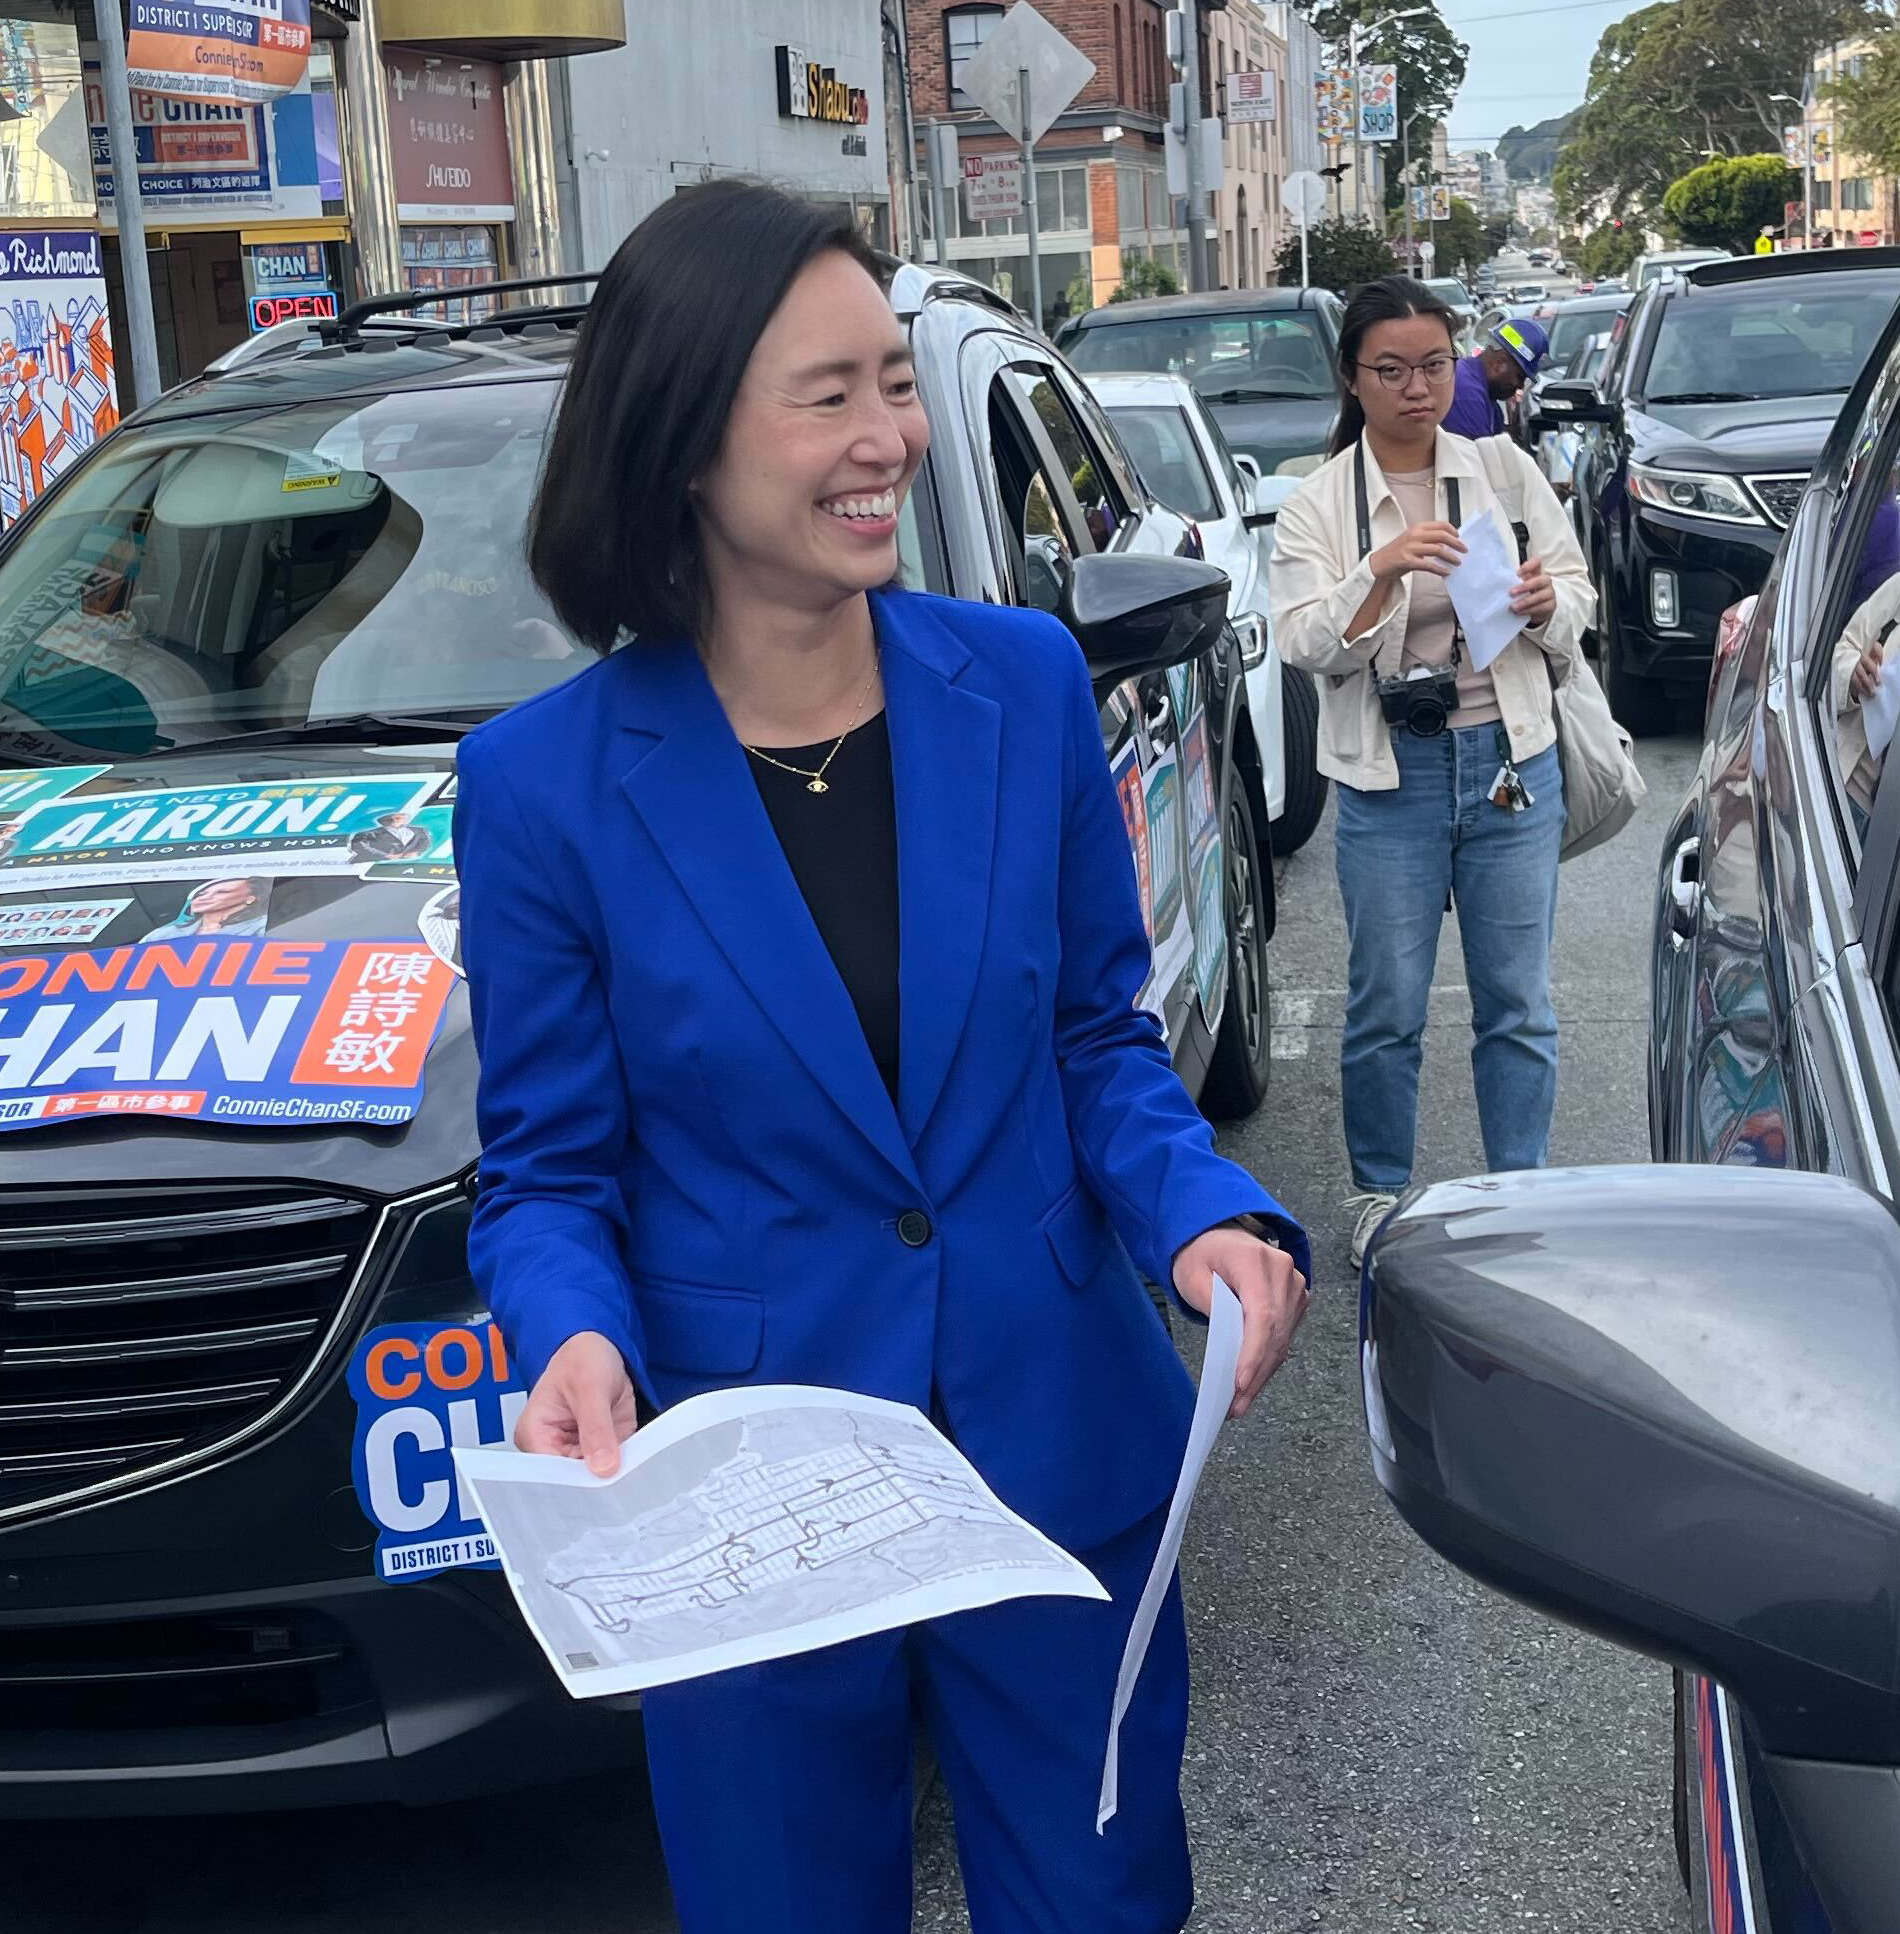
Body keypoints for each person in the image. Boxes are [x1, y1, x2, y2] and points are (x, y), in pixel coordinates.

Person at [454, 180, 1311, 1934]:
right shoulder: (542, 785)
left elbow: (1097, 1037)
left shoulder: (1019, 682)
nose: (889, 440)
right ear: (682, 437)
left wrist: (1199, 1207)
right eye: (826, 394)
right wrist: (578, 1336)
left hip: (1056, 1434)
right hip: (747, 1490)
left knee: (1100, 1896)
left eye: (893, 384)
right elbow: (548, 1167)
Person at [1268, 276, 1597, 1266]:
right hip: (1389, 775)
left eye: (1432, 365)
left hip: (1509, 762)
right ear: (1352, 378)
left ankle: (1518, 1185)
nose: (1416, 387)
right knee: (1385, 1004)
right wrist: (1380, 568)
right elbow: (1299, 642)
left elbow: (1577, 606)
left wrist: (1543, 602)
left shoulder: (1502, 469)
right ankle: (1378, 1188)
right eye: (1392, 369)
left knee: (1515, 999)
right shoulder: (1316, 503)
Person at [1439, 313, 1547, 439]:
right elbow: (1478, 457)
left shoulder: (1486, 397)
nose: (1520, 386)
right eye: (1519, 376)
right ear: (1499, 363)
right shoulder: (1468, 395)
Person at [144, 876, 268, 941]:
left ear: (251, 898)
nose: (203, 898)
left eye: (222, 892)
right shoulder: (162, 935)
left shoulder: (265, 928)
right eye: (202, 893)